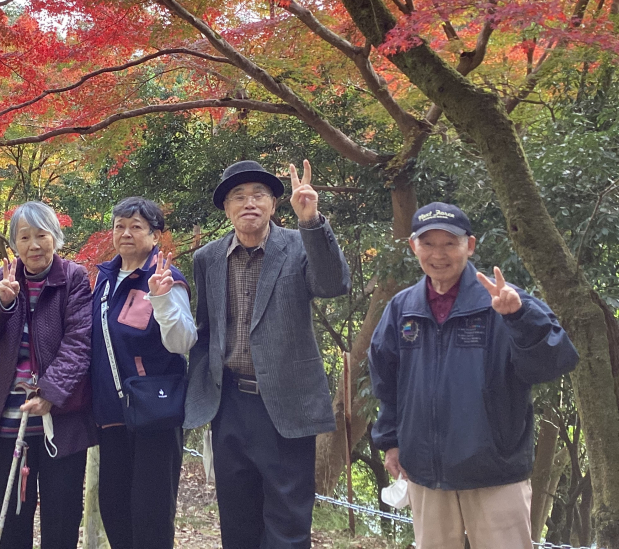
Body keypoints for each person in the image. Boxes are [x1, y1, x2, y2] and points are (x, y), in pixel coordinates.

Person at [369, 202, 579, 549]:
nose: (439, 254)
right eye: (429, 244)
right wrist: (390, 441)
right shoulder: (402, 309)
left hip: (494, 470)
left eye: (449, 243)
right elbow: (386, 381)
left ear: (470, 245)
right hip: (426, 473)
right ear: (413, 247)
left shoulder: (503, 301)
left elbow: (555, 361)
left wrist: (519, 318)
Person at [185, 159, 352, 549]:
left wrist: (311, 220)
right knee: (237, 523)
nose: (249, 203)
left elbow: (333, 283)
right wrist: (200, 396)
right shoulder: (208, 259)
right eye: (238, 196)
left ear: (274, 205)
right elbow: (205, 331)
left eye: (259, 194)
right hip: (229, 405)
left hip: (285, 406)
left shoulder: (298, 245)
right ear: (226, 208)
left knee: (288, 526)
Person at [0, 201, 95, 549]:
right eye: (24, 237)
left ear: (56, 237)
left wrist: (50, 393)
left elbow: (80, 341)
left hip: (61, 419)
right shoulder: (3, 278)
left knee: (62, 517)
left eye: (42, 235)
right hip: (12, 418)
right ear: (15, 243)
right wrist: (1, 302)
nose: (34, 245)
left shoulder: (74, 278)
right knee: (12, 515)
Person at [89, 197, 197, 549]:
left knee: (151, 513)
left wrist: (162, 300)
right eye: (120, 226)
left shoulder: (165, 278)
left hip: (154, 413)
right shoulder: (104, 280)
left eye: (136, 226)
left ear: (154, 235)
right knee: (115, 509)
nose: (126, 233)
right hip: (112, 414)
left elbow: (183, 342)